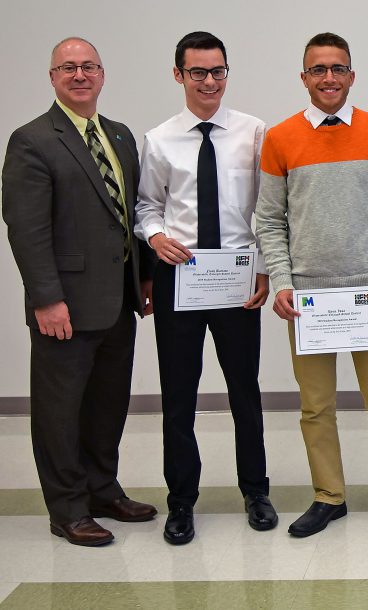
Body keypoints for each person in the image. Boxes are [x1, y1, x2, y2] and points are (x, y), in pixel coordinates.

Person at [254, 32, 368, 538]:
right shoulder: (280, 138)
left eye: (338, 69)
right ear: (304, 77)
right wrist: (282, 282)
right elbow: (269, 219)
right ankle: (329, 495)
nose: (329, 78)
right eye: (318, 69)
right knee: (316, 406)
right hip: (308, 299)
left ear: (352, 75)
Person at [2, 37, 157, 546]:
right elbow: (26, 228)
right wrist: (46, 298)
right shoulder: (32, 140)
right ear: (52, 77)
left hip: (118, 300)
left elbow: (133, 215)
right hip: (64, 305)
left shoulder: (119, 135)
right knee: (60, 409)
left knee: (107, 404)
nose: (79, 75)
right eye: (68, 67)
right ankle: (66, 506)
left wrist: (147, 276)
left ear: (102, 74)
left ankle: (101, 488)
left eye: (88, 66)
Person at [135, 31, 276, 545]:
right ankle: (181, 501)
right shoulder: (159, 138)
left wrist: (264, 266)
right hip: (183, 278)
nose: (210, 81)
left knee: (246, 391)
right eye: (198, 72)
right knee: (179, 395)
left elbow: (270, 208)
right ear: (179, 76)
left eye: (218, 71)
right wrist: (156, 236)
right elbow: (146, 206)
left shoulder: (254, 132)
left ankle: (256, 492)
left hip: (239, 277)